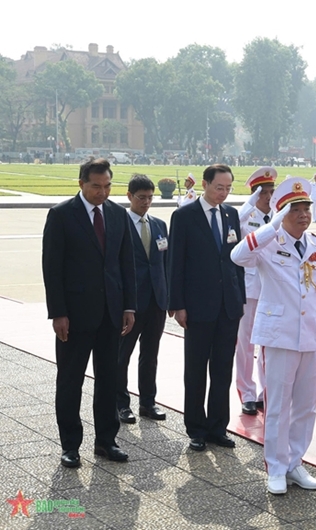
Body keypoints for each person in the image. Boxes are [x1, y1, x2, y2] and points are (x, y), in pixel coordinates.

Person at [231, 177, 316, 495]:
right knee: (277, 405)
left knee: (305, 406)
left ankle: (294, 463)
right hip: (279, 336)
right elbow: (238, 256)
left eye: (306, 208)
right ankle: (275, 467)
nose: (304, 215)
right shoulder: (267, 244)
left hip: (311, 335)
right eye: (295, 209)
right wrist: (271, 226)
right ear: (280, 213)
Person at [42, 158, 136, 468]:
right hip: (75, 316)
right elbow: (52, 268)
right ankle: (70, 445)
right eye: (96, 186)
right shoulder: (61, 215)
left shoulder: (119, 215)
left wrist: (128, 306)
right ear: (81, 183)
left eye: (107, 186)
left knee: (109, 379)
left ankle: (106, 441)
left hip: (111, 313)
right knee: (70, 381)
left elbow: (126, 265)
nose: (102, 192)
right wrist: (58, 313)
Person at [168, 164, 245, 451]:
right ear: (205, 184)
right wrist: (178, 305)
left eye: (228, 188)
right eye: (218, 188)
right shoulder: (184, 216)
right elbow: (175, 263)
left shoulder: (231, 214)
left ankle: (217, 427)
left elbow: (235, 260)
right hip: (198, 306)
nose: (223, 193)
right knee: (196, 369)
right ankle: (196, 428)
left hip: (228, 306)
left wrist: (241, 297)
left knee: (223, 369)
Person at [117, 174, 169, 424]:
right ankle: (120, 404)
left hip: (156, 301)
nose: (146, 202)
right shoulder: (119, 224)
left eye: (150, 198)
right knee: (121, 355)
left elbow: (164, 263)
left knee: (150, 354)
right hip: (130, 303)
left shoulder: (159, 225)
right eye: (141, 198)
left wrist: (169, 298)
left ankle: (148, 402)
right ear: (129, 197)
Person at [235, 166, 277, 415]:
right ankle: (247, 392)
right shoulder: (246, 217)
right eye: (265, 192)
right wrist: (249, 203)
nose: (270, 197)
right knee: (245, 343)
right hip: (249, 288)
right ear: (256, 194)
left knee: (267, 343)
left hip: (271, 289)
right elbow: (235, 221)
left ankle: (265, 390)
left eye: (272, 191)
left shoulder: (276, 217)